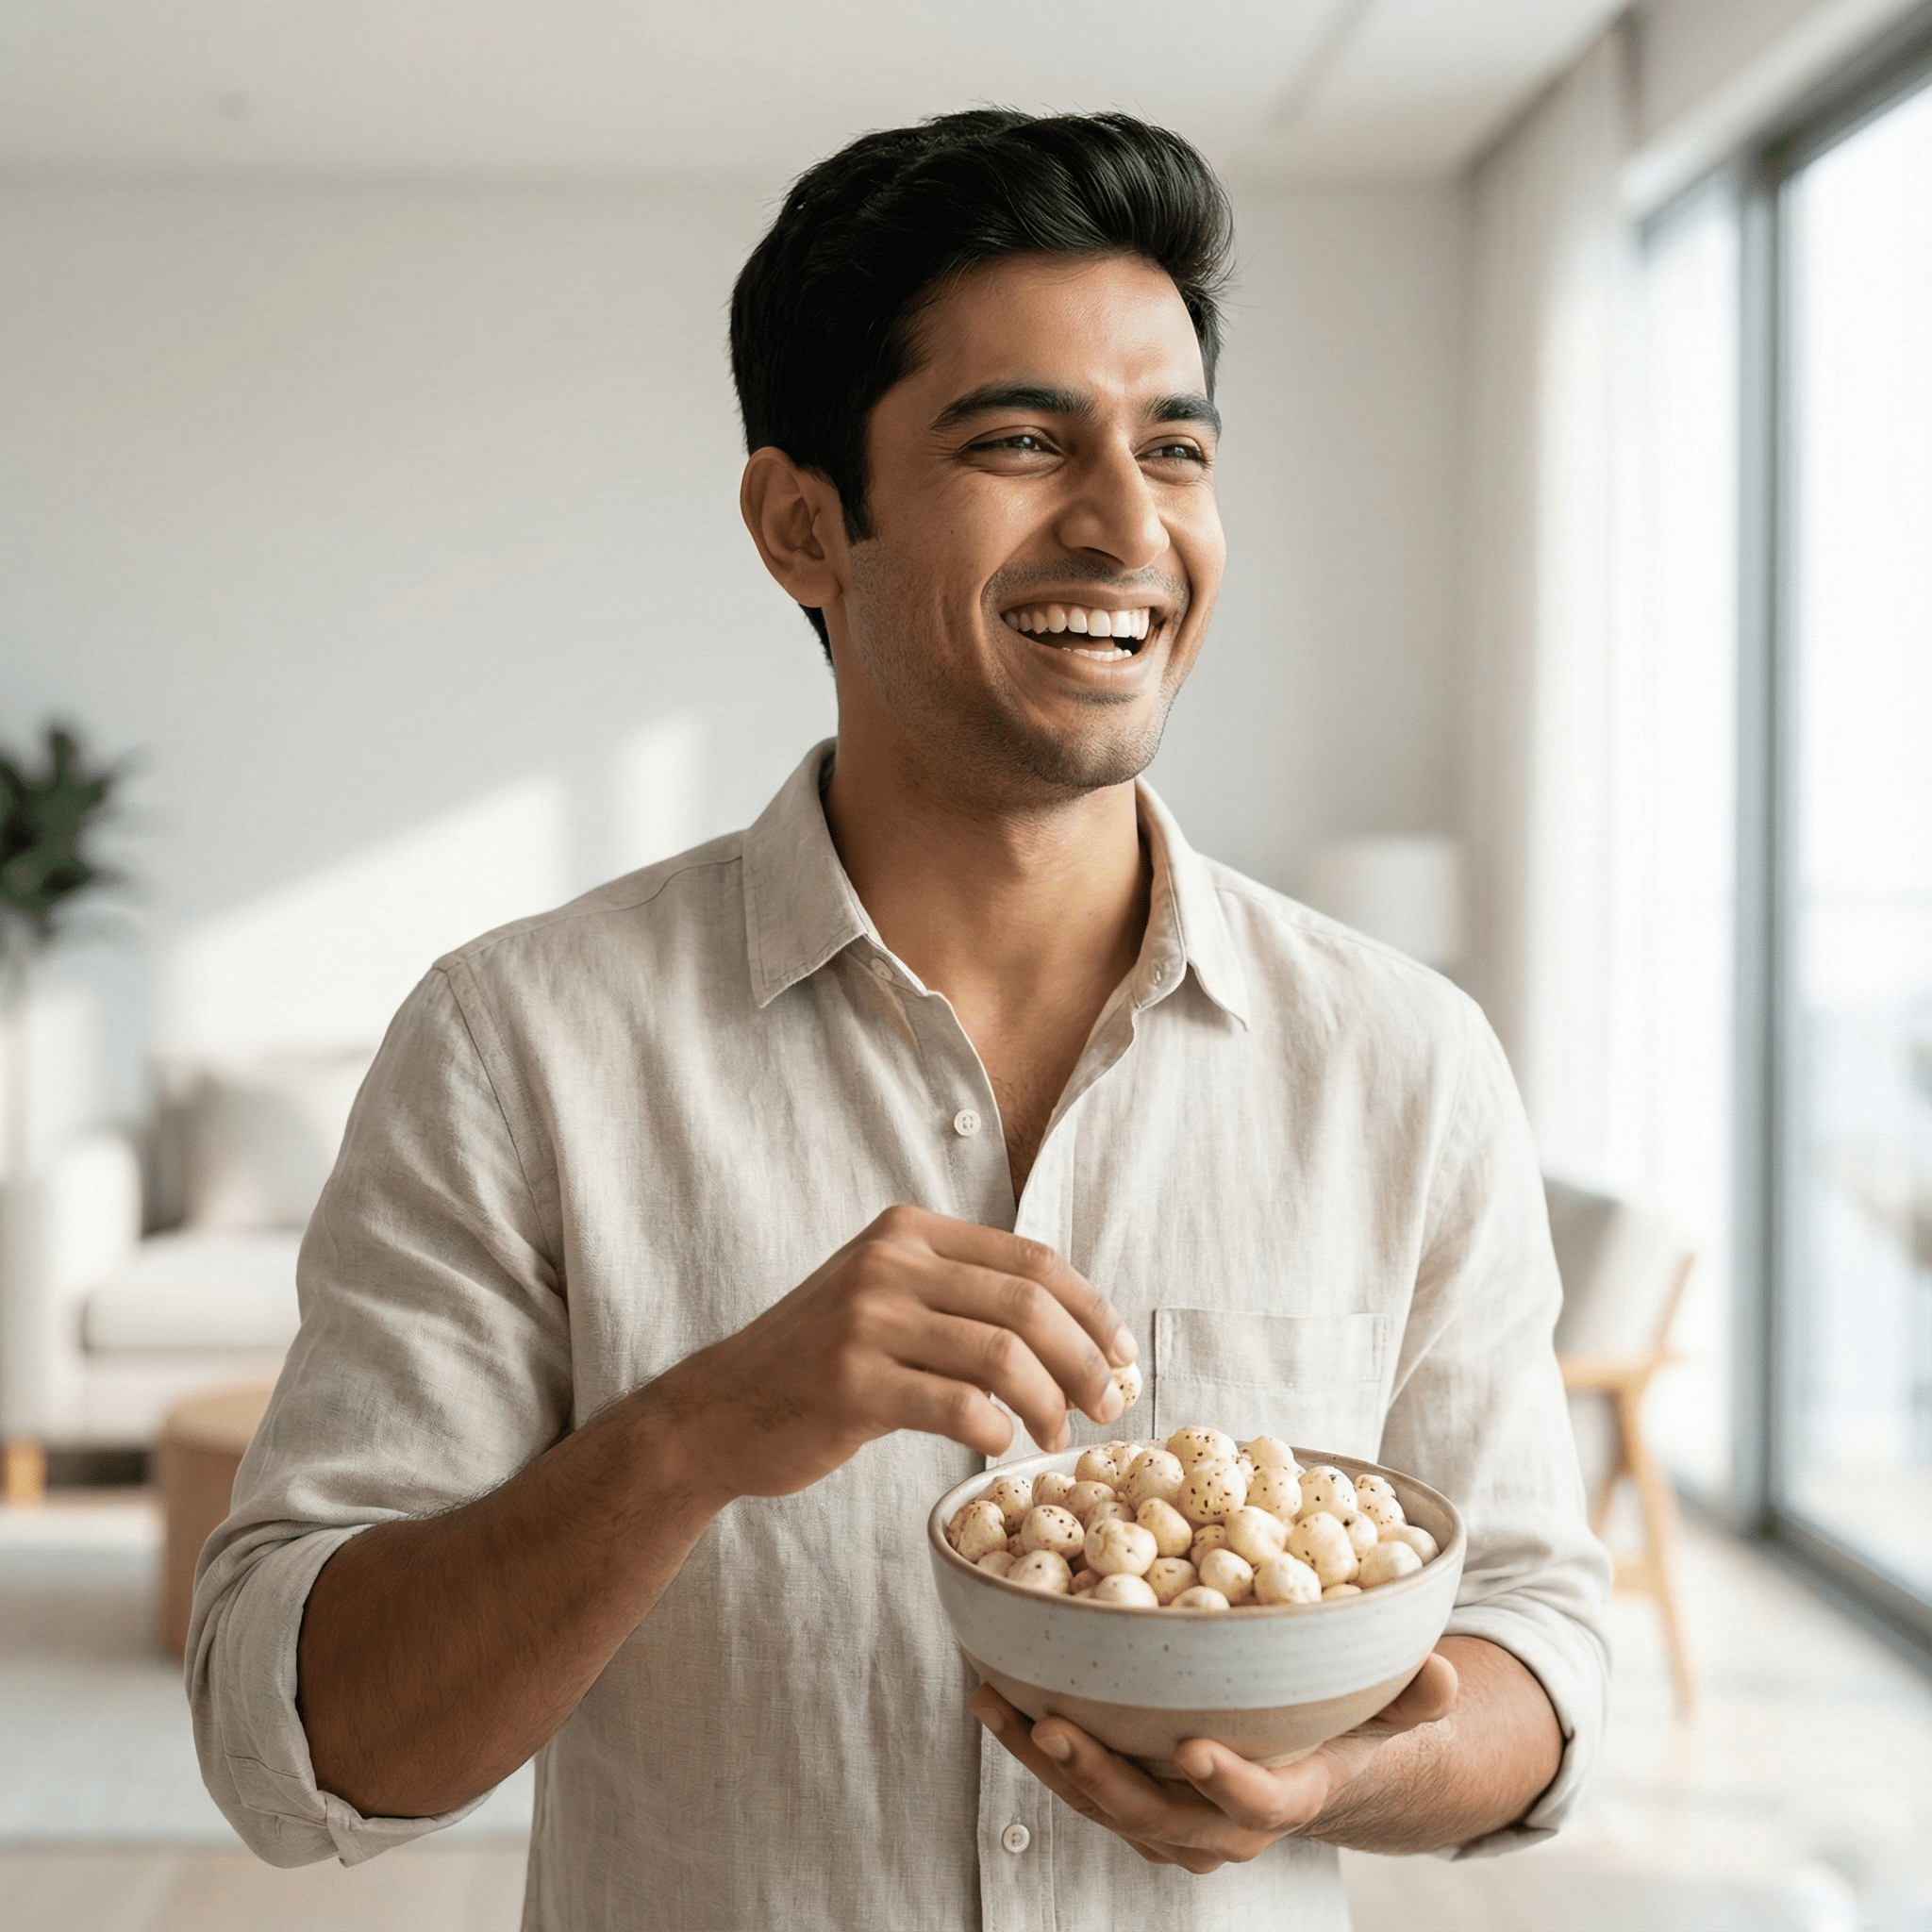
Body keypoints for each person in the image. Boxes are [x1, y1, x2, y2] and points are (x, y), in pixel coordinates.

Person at [190, 108, 1609, 1930]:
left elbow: (1539, 1651)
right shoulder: (515, 1046)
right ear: (803, 525)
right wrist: (694, 1432)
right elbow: (289, 1752)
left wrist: (1340, 1778)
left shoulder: (1404, 1063)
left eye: (1174, 449)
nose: (1128, 525)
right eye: (1022, 440)